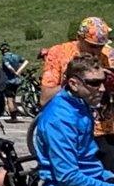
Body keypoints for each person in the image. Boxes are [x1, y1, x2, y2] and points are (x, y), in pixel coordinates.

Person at [33, 54, 114, 186]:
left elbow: (88, 161)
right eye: (94, 83)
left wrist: (108, 178)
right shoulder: (59, 119)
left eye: (103, 81)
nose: (102, 88)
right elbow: (67, 177)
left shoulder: (81, 105)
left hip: (89, 184)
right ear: (73, 84)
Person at [40, 17, 114, 170]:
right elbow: (45, 98)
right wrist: (76, 84)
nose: (97, 52)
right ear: (79, 38)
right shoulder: (59, 53)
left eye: (101, 46)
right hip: (73, 128)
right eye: (92, 46)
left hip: (105, 129)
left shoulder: (109, 55)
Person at [0, 43, 28, 122]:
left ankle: (13, 117)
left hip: (9, 80)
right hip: (17, 81)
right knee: (13, 98)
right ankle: (15, 115)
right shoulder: (16, 56)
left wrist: (14, 72)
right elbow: (26, 61)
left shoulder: (5, 57)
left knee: (9, 99)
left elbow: (8, 66)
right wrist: (19, 71)